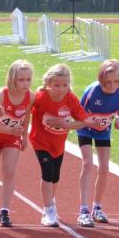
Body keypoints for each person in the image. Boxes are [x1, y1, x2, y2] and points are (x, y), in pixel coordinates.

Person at [29, 64, 93, 227]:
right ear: (48, 84)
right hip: (40, 141)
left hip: (58, 143)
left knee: (55, 176)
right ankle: (48, 210)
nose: (61, 89)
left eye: (65, 85)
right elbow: (25, 109)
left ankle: (51, 201)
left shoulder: (70, 98)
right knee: (47, 173)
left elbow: (82, 121)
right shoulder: (40, 97)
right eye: (57, 85)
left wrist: (65, 124)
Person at [0, 59, 34, 227]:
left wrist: (24, 135)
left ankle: (4, 211)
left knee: (9, 171)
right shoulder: (1, 95)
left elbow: (26, 116)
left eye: (28, 79)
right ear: (12, 79)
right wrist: (10, 130)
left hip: (12, 137)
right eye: (21, 80)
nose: (26, 83)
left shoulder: (30, 97)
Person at [76, 60, 119, 227]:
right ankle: (83, 211)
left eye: (116, 81)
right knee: (87, 164)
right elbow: (78, 114)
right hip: (85, 128)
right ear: (101, 79)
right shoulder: (92, 92)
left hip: (103, 131)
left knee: (104, 168)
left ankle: (97, 208)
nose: (112, 86)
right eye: (108, 82)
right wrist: (90, 122)